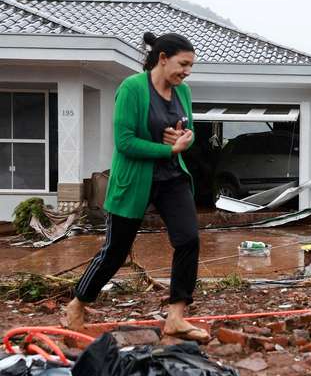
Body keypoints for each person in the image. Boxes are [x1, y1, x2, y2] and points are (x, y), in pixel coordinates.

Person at [64, 32, 208, 342]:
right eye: (183, 64)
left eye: (191, 66)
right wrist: (166, 149)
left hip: (171, 178)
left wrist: (185, 139)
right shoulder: (131, 89)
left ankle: (176, 317)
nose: (187, 71)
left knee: (188, 240)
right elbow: (125, 142)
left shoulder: (183, 92)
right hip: (135, 180)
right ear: (163, 58)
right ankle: (77, 303)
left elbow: (190, 130)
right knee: (115, 252)